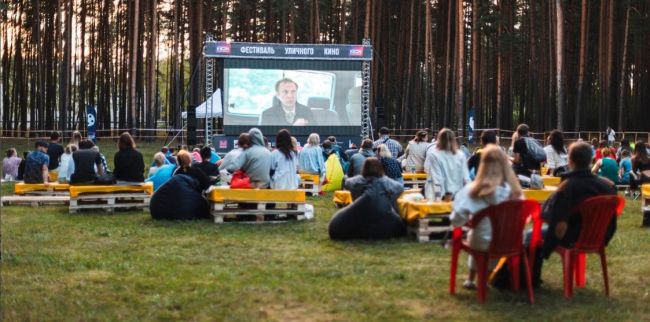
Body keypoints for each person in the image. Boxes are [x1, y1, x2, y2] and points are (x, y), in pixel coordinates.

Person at [450, 145, 524, 290]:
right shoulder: (516, 193)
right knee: (481, 233)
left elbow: (456, 220)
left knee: (478, 233)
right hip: (511, 242)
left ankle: (476, 279)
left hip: (482, 242)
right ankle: (483, 278)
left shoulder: (472, 191)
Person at [540, 141, 618, 260]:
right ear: (590, 160)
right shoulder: (608, 186)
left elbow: (556, 221)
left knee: (528, 237)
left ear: (570, 161)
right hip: (601, 236)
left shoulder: (568, 187)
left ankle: (530, 277)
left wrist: (547, 249)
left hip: (572, 236)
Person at [329, 157, 405, 240]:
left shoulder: (356, 182)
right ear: (380, 168)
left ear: (364, 168)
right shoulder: (387, 183)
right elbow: (400, 188)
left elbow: (347, 182)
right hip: (383, 224)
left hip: (358, 220)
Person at [424, 128, 470, 200]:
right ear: (454, 140)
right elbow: (466, 178)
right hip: (459, 196)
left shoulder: (434, 155)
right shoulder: (461, 155)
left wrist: (437, 198)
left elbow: (437, 179)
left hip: (443, 196)